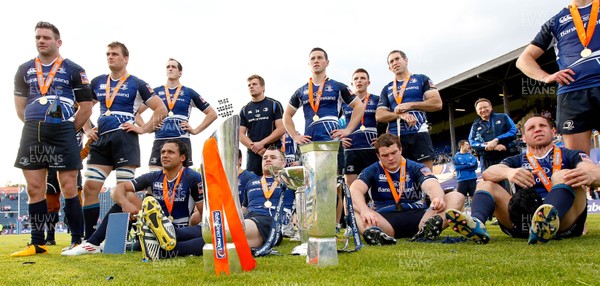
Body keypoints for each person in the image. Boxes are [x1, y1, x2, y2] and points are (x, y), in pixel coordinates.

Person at [446, 115, 599, 244]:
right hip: (522, 221)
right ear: (524, 138)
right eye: (531, 128)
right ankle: (476, 223)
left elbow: (591, 169)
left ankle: (546, 221)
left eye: (542, 126)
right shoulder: (517, 160)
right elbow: (489, 173)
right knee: (486, 184)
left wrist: (591, 176)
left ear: (553, 132)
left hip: (563, 222)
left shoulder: (570, 154)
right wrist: (509, 173)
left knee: (562, 175)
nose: (537, 129)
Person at [11, 22, 93, 257]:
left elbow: (86, 108)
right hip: (33, 132)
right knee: (35, 188)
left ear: (58, 42)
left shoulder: (74, 69)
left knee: (69, 186)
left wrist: (68, 130)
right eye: (38, 37)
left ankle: (78, 241)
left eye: (46, 37)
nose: (41, 41)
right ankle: (37, 243)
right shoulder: (24, 69)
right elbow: (20, 108)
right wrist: (36, 125)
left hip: (63, 131)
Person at [79, 41, 167, 248]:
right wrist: (86, 129)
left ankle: (120, 239)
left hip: (124, 139)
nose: (110, 57)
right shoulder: (98, 82)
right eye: (108, 53)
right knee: (90, 187)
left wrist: (143, 129)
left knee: (124, 191)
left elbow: (161, 108)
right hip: (101, 140)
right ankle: (89, 239)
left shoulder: (137, 83)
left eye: (115, 54)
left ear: (125, 58)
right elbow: (84, 108)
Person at [62, 139, 204, 257]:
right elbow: (118, 189)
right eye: (163, 152)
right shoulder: (154, 176)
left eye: (170, 152)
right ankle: (92, 243)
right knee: (127, 196)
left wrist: (195, 221)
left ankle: (156, 248)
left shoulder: (192, 177)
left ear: (182, 158)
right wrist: (125, 204)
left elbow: (204, 214)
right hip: (153, 229)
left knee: (208, 238)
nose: (164, 155)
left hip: (179, 231)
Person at [516, 0, 600, 156]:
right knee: (579, 165)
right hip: (572, 94)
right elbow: (523, 60)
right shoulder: (556, 21)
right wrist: (546, 77)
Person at [350, 134, 465, 245]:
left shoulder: (415, 167)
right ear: (378, 156)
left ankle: (427, 231)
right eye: (385, 155)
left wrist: (437, 198)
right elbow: (355, 189)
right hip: (385, 220)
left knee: (457, 197)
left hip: (420, 218)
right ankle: (375, 234)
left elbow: (431, 184)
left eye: (394, 153)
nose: (391, 158)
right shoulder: (372, 170)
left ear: (400, 150)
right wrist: (364, 209)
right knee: (350, 204)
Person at [136, 58, 217, 171]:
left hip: (181, 141)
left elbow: (212, 114)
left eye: (173, 67)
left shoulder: (189, 92)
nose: (170, 69)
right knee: (154, 179)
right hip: (160, 140)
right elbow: (136, 112)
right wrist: (146, 128)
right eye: (168, 67)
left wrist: (195, 130)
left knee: (182, 181)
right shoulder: (155, 92)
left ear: (180, 73)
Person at [375, 50, 442, 171]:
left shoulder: (421, 79)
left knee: (426, 175)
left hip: (419, 132)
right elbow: (379, 115)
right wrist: (400, 115)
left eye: (397, 59)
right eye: (391, 62)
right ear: (389, 67)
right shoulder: (387, 88)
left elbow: (437, 103)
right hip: (396, 137)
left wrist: (410, 105)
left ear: (406, 60)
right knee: (400, 176)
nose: (395, 63)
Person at [283, 47, 365, 145]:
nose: (316, 61)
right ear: (309, 64)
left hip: (333, 143)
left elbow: (359, 106)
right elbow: (286, 115)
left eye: (320, 58)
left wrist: (348, 130)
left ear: (327, 63)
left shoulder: (338, 87)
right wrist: (295, 136)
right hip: (310, 144)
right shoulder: (301, 91)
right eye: (312, 59)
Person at [242, 147, 294, 248]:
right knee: (215, 233)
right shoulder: (251, 183)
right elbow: (243, 209)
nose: (268, 159)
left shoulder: (291, 182)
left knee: (233, 231)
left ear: (283, 163)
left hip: (271, 222)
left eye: (273, 157)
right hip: (249, 220)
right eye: (265, 158)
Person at [239, 74, 286, 176]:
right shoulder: (244, 109)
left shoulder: (274, 104)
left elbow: (282, 128)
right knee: (255, 186)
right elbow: (240, 135)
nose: (251, 86)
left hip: (272, 153)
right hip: (253, 157)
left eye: (254, 84)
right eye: (249, 85)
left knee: (275, 184)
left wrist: (262, 143)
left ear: (263, 87)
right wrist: (255, 148)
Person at [342, 68, 380, 188]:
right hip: (351, 150)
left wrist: (382, 138)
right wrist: (339, 140)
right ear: (352, 83)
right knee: (351, 188)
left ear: (368, 82)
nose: (359, 81)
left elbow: (386, 119)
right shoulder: (344, 103)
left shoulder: (377, 100)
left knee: (375, 185)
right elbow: (333, 123)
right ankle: (352, 207)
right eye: (356, 79)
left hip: (371, 149)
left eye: (362, 78)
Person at [468, 98, 518, 171]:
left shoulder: (503, 117)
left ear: (491, 107)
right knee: (490, 182)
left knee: (510, 181)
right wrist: (490, 146)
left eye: (485, 107)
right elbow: (472, 142)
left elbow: (513, 131)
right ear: (477, 111)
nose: (483, 110)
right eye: (480, 108)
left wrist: (497, 140)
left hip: (507, 156)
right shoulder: (475, 125)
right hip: (487, 161)